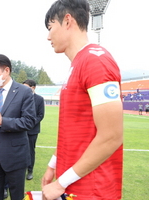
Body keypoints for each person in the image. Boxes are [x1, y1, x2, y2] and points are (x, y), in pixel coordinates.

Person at [41, 1, 123, 200]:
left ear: (67, 21)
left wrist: (60, 183)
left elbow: (112, 136)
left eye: (51, 27)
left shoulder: (96, 61)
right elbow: (74, 128)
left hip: (92, 189)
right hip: (75, 183)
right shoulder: (78, 63)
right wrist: (54, 163)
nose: (48, 36)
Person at [0, 54, 36, 200]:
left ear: (6, 71)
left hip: (14, 155)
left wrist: (4, 122)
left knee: (16, 195)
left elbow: (29, 121)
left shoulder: (24, 92)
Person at [22, 79, 45, 180]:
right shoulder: (21, 97)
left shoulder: (39, 99)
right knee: (20, 149)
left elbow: (40, 115)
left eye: (26, 86)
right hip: (21, 129)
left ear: (33, 87)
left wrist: (30, 123)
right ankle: (21, 169)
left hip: (32, 130)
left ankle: (30, 170)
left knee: (30, 150)